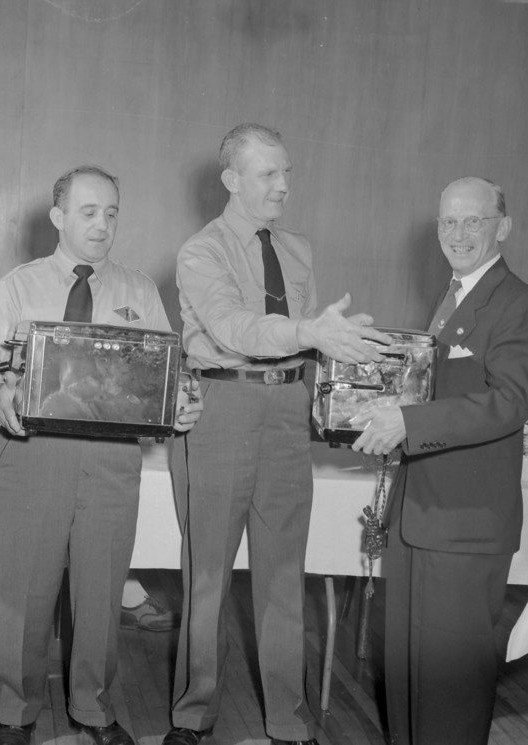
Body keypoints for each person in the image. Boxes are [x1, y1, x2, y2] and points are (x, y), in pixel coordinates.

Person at [165, 124, 391, 745]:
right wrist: (309, 332)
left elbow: (313, 339)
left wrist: (351, 389)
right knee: (207, 575)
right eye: (268, 173)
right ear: (231, 180)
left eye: (287, 172)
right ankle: (194, 714)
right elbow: (236, 328)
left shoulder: (298, 248)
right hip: (223, 410)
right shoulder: (201, 252)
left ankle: (289, 721)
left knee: (285, 573)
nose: (284, 185)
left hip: (288, 410)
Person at [0, 165, 202, 745]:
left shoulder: (140, 291)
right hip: (31, 455)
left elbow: (170, 374)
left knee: (102, 590)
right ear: (58, 217)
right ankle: (16, 713)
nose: (102, 224)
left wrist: (182, 402)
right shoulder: (18, 286)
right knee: (23, 592)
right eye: (88, 212)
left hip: (111, 459)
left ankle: (93, 710)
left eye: (111, 213)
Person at [351, 177, 528, 745]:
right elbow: (438, 392)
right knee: (410, 674)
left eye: (473, 221)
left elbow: (508, 404)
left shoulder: (520, 304)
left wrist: (409, 423)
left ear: (502, 228)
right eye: (447, 221)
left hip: (465, 525)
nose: (457, 234)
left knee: (450, 686)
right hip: (420, 516)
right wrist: (386, 409)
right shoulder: (452, 296)